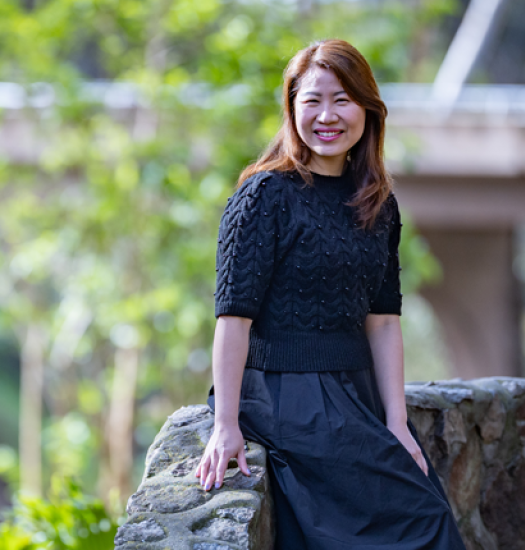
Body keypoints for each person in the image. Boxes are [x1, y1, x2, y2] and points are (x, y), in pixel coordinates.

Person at [195, 39, 466, 549]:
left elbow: (383, 322)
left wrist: (396, 423)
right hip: (283, 394)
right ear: (292, 107)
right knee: (422, 524)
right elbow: (233, 320)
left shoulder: (378, 204)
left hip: (353, 394)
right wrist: (225, 424)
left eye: (342, 99)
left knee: (426, 513)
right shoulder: (263, 197)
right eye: (312, 100)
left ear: (367, 108)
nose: (327, 115)